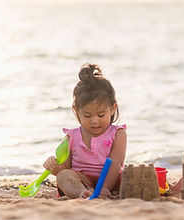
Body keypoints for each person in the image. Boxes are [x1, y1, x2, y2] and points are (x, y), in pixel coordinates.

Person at [43, 63, 127, 199]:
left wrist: (105, 187)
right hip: (82, 180)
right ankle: (82, 193)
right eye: (87, 116)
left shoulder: (118, 133)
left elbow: (116, 162)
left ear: (112, 109)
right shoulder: (72, 137)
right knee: (63, 176)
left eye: (101, 115)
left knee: (130, 174)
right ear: (76, 111)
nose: (94, 120)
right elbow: (64, 168)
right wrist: (52, 166)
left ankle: (100, 189)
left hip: (112, 181)